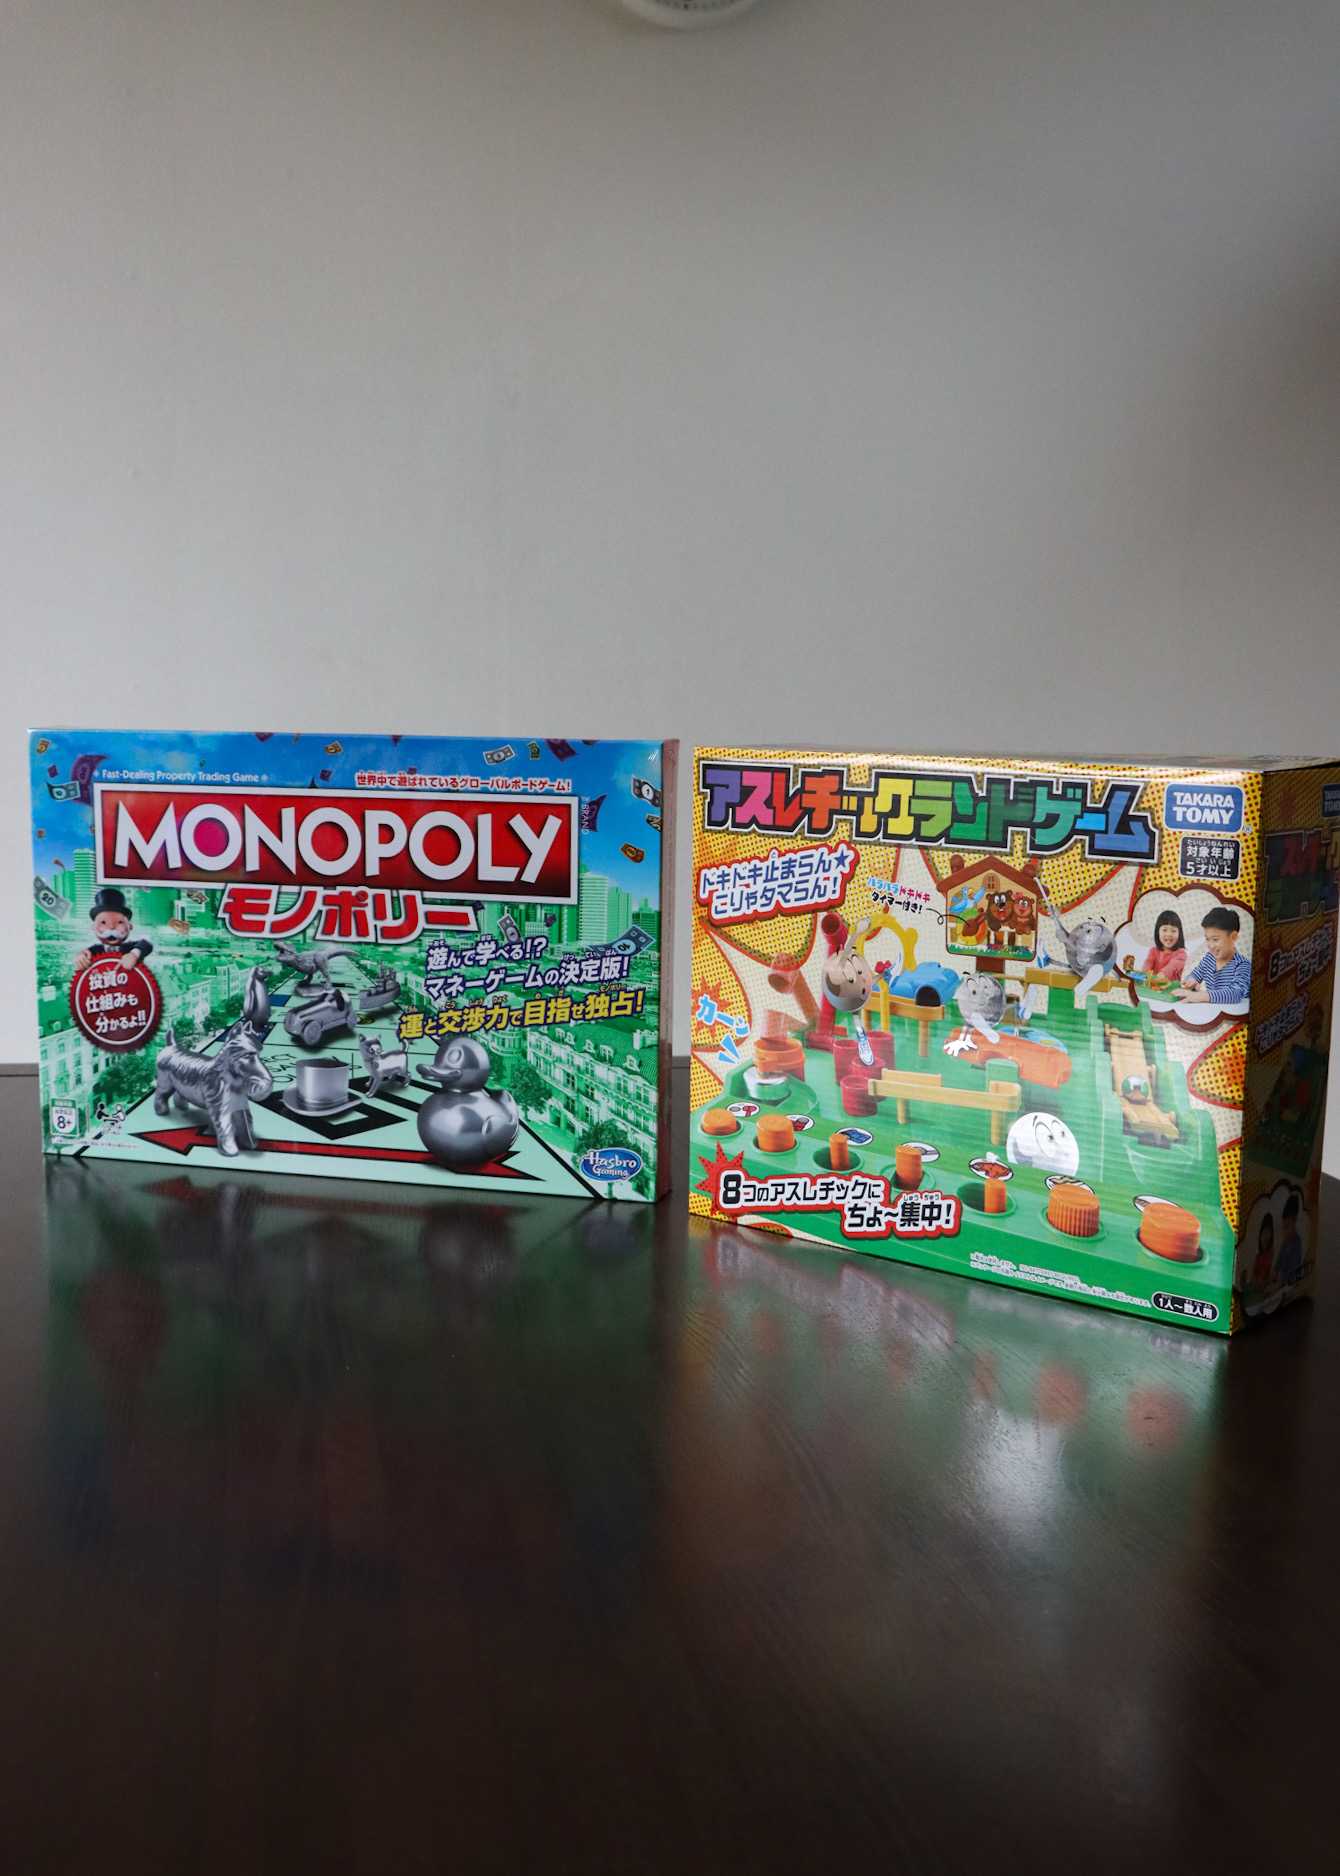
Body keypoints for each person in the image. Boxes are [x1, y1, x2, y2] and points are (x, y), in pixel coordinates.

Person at [74, 886, 154, 972]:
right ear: (93, 927)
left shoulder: (130, 947)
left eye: (120, 922)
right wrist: (81, 956)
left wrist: (134, 954)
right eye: (103, 922)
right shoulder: (95, 950)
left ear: (130, 926)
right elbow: (85, 954)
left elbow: (147, 944)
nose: (111, 927)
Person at [1181, 907, 1251, 1005]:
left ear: (1233, 937)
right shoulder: (1209, 959)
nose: (1211, 945)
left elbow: (1236, 994)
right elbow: (1194, 975)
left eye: (1215, 939)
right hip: (1213, 1012)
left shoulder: (1242, 965)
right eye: (1207, 939)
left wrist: (1200, 996)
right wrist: (1191, 982)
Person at [1143, 911, 1186, 981]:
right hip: (1153, 986)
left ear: (1179, 933)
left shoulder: (1181, 954)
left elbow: (1172, 966)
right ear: (1158, 932)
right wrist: (1144, 973)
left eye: (1173, 931)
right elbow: (1148, 963)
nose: (1169, 934)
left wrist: (1163, 974)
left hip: (1172, 987)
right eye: (1164, 930)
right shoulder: (1153, 951)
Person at [1277, 1192, 1306, 1287]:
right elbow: (1278, 1262)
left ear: (1294, 1221)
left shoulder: (1297, 1243)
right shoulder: (1285, 1242)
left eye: (1287, 1227)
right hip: (1282, 1283)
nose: (1284, 1232)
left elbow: (1294, 1269)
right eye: (1283, 1227)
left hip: (1290, 1284)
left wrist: (1282, 1281)